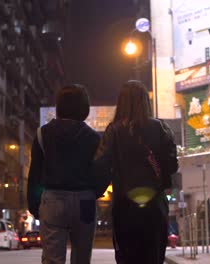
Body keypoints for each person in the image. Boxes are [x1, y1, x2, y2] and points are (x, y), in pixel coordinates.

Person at [94, 80, 179, 264]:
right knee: (153, 258)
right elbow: (172, 165)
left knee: (127, 258)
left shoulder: (114, 130)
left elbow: (100, 165)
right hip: (155, 206)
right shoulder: (160, 128)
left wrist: (96, 191)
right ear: (145, 102)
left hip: (125, 208)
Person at [27, 84, 101, 264]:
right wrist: (95, 192)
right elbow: (101, 171)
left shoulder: (42, 134)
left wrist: (34, 205)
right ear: (84, 108)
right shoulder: (94, 137)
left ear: (59, 106)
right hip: (86, 201)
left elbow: (35, 173)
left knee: (53, 260)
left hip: (53, 200)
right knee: (82, 258)